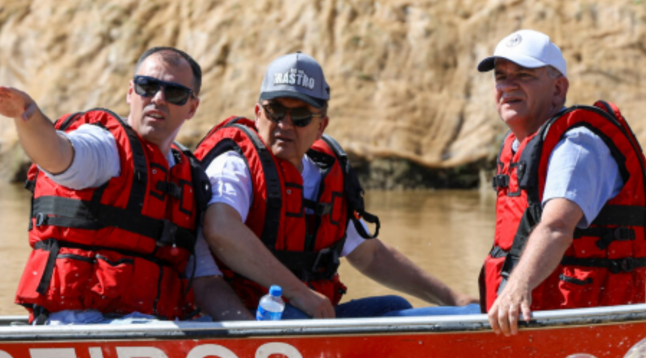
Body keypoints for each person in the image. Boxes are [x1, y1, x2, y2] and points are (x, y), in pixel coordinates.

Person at [192, 52, 478, 321]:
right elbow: (220, 229)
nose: (285, 124)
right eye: (275, 111)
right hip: (252, 315)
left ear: (321, 126)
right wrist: (299, 293)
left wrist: (452, 298)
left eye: (301, 116)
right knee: (297, 314)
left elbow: (370, 255)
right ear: (257, 114)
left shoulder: (324, 174)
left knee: (394, 306)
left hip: (304, 314)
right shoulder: (234, 165)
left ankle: (465, 316)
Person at [0, 47, 219, 324]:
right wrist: (29, 117)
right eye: (148, 86)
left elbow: (206, 280)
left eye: (174, 93)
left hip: (149, 324)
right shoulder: (105, 148)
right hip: (80, 322)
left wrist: (252, 326)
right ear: (131, 92)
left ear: (192, 108)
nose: (158, 99)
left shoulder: (188, 178)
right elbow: (57, 155)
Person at [476, 30, 646, 336]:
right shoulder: (518, 146)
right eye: (501, 76)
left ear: (558, 89)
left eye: (524, 75)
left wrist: (517, 287)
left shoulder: (577, 144)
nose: (508, 85)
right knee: (392, 305)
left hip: (578, 324)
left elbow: (557, 227)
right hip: (525, 319)